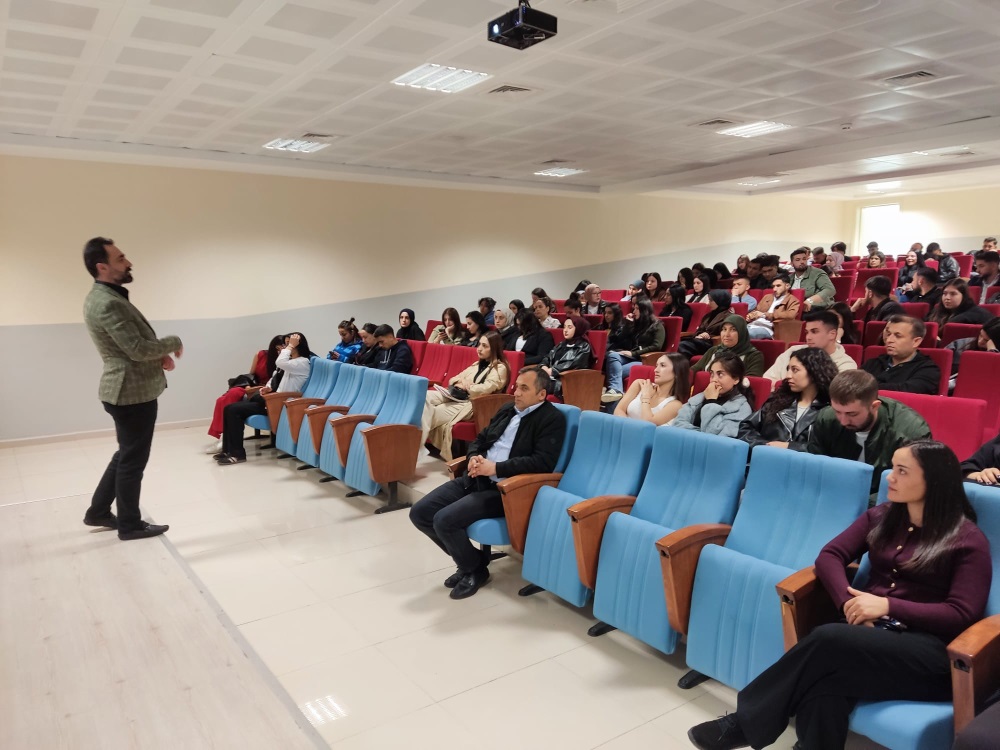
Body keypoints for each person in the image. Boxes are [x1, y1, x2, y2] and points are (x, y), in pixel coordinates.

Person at [687, 440, 991, 750]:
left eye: (902, 471)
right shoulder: (883, 516)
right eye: (892, 468)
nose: (890, 477)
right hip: (868, 637)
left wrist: (886, 605)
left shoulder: (967, 540)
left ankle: (744, 724)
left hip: (929, 655)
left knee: (828, 638)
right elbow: (830, 556)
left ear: (934, 481)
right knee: (825, 685)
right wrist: (850, 605)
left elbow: (961, 613)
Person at [409, 367, 567, 599]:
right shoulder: (507, 409)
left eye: (524, 388)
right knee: (420, 513)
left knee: (444, 520)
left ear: (541, 394)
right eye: (517, 386)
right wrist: (474, 457)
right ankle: (472, 562)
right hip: (476, 478)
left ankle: (473, 570)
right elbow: (481, 439)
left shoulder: (552, 419)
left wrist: (496, 468)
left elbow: (542, 462)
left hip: (506, 491)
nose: (517, 392)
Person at [81, 237, 183, 540]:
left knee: (126, 454)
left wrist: (158, 355)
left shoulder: (103, 296)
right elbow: (137, 349)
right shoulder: (108, 302)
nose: (128, 263)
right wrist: (172, 342)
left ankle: (98, 512)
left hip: (125, 391)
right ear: (102, 267)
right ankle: (130, 525)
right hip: (131, 394)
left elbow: (128, 345)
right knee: (132, 461)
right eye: (121, 258)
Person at [807, 370, 931, 498]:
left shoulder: (911, 431)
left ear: (875, 406)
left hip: (884, 501)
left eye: (852, 414)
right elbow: (815, 468)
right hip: (833, 496)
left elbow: (907, 486)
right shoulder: (827, 418)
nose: (843, 421)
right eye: (837, 411)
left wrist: (859, 505)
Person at [217, 332, 314, 466]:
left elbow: (280, 362)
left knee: (234, 411)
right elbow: (275, 377)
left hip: (282, 404)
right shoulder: (290, 362)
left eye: (288, 344)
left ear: (297, 345)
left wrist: (290, 346)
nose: (285, 347)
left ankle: (237, 454)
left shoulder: (302, 363)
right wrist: (268, 388)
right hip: (274, 400)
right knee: (229, 408)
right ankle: (228, 450)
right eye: (286, 344)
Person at [422, 331, 509, 460]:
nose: (479, 348)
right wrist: (461, 381)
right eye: (479, 344)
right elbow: (453, 379)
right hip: (457, 395)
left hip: (474, 404)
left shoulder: (500, 368)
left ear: (494, 349)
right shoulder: (477, 364)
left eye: (485, 346)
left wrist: (468, 387)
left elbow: (487, 388)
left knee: (432, 412)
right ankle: (416, 444)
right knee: (423, 397)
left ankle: (416, 445)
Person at [738, 347, 837, 451]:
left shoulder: (832, 409)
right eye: (788, 369)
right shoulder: (777, 400)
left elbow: (830, 449)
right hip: (768, 458)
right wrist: (766, 446)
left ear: (814, 371)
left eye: (795, 370)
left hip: (805, 461)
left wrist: (790, 447)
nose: (788, 375)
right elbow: (746, 428)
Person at [206, 334, 284, 453]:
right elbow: (251, 375)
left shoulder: (284, 362)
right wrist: (248, 385)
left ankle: (224, 439)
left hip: (266, 390)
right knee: (229, 395)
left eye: (283, 347)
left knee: (232, 403)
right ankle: (222, 436)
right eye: (277, 348)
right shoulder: (261, 355)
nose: (280, 351)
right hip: (255, 386)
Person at [763, 310, 859, 383]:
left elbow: (837, 395)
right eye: (807, 332)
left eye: (814, 332)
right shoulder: (792, 351)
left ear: (832, 334)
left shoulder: (846, 364)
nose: (808, 337)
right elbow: (768, 380)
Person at [672, 352, 754, 437]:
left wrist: (711, 401)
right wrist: (701, 433)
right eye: (712, 374)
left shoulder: (742, 408)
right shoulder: (700, 397)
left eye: (720, 374)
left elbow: (715, 438)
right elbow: (677, 424)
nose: (714, 380)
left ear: (736, 379)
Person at [602, 297, 665, 402]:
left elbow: (656, 346)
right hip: (632, 357)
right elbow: (620, 338)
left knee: (614, 373)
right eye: (634, 308)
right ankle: (616, 391)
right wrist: (628, 324)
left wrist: (633, 353)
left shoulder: (657, 326)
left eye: (637, 309)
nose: (634, 311)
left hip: (645, 359)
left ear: (644, 310)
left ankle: (615, 393)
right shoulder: (637, 325)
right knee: (612, 355)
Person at [860, 315, 940, 394]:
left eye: (898, 336)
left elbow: (908, 391)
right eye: (888, 334)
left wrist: (866, 388)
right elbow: (854, 384)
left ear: (916, 342)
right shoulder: (874, 362)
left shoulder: (928, 369)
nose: (889, 340)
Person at [614, 352, 690, 425]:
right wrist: (628, 428)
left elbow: (648, 424)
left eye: (662, 365)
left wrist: (646, 397)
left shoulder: (675, 405)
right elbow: (618, 410)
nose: (655, 370)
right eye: (656, 366)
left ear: (677, 373)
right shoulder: (639, 384)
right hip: (624, 429)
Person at [691, 315, 765, 377]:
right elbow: (693, 371)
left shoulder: (753, 356)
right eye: (724, 329)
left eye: (733, 330)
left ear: (742, 332)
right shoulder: (713, 350)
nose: (726, 334)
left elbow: (752, 383)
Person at [539, 315, 594, 394]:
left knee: (536, 385)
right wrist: (543, 366)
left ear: (578, 329)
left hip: (566, 381)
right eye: (564, 327)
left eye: (569, 327)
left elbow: (574, 364)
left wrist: (552, 371)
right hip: (550, 377)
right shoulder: (561, 344)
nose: (565, 330)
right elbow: (548, 357)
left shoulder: (583, 346)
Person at [945, 316, 1000, 392]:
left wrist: (992, 353)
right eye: (980, 335)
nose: (980, 341)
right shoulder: (959, 344)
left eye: (986, 340)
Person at [678, 289, 734, 357]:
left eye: (711, 300)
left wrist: (708, 336)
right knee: (679, 344)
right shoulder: (708, 316)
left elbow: (726, 335)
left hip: (712, 344)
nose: (708, 303)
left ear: (719, 301)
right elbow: (699, 330)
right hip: (699, 342)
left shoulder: (729, 317)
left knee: (682, 345)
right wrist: (700, 334)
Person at [928, 278, 996, 333]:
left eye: (953, 294)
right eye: (945, 293)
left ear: (963, 296)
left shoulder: (974, 314)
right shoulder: (938, 310)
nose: (947, 298)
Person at [746, 274, 799, 340]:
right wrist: (751, 316)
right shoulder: (767, 297)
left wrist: (764, 315)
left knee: (746, 334)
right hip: (752, 324)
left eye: (778, 286)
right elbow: (756, 310)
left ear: (787, 286)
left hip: (768, 328)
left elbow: (791, 315)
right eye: (773, 286)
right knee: (737, 331)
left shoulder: (792, 300)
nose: (774, 289)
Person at [789, 246, 835, 311]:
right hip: (794, 309)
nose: (802, 262)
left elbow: (830, 290)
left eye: (804, 259)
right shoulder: (789, 278)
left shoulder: (817, 273)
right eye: (798, 260)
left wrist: (810, 301)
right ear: (792, 263)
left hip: (816, 309)